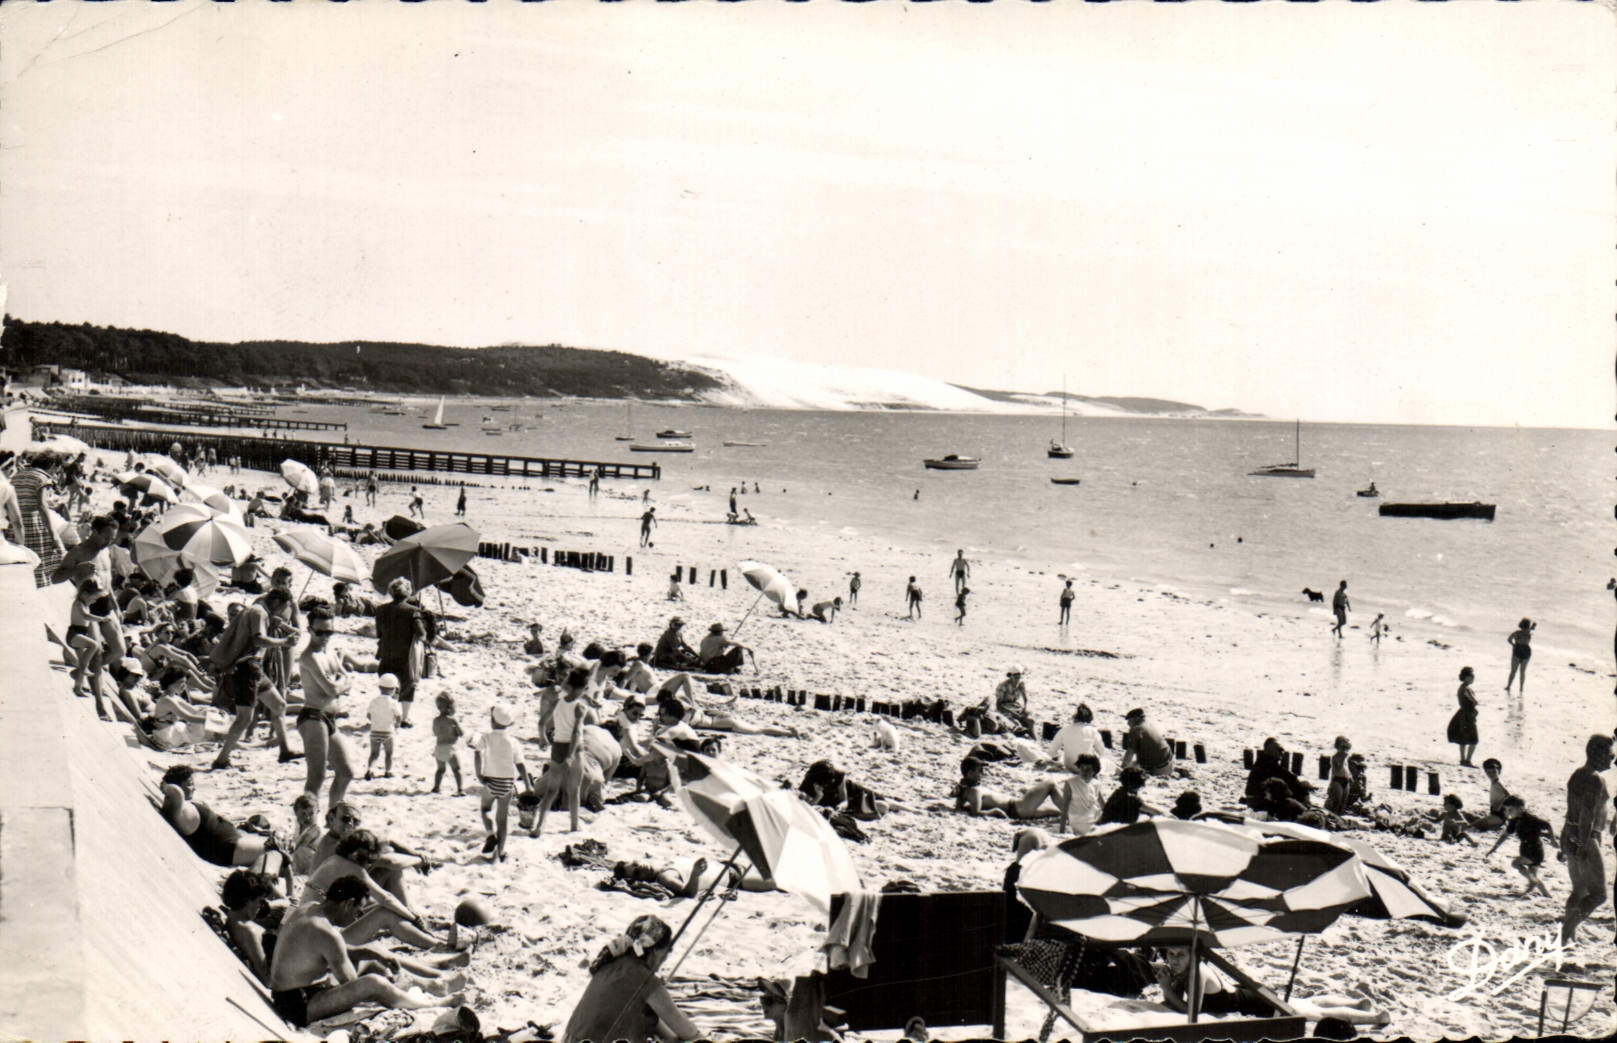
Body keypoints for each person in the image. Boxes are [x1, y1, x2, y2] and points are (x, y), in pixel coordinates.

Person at [268, 876, 454, 1029]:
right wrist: (374, 976)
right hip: (298, 1007)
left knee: (371, 957)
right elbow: (351, 984)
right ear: (348, 904)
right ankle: (428, 1004)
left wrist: (370, 953)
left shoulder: (308, 909)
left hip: (286, 994)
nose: (357, 916)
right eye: (358, 910)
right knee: (374, 982)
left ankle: (428, 985)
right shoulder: (326, 932)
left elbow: (326, 952)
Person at [1152, 947, 1388, 1026]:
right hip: (1250, 995)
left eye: (1181, 954)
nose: (1174, 959)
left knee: (1315, 1014)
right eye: (1171, 954)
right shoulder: (1185, 970)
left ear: (1192, 955)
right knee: (1305, 1002)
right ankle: (1357, 1003)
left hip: (1256, 1005)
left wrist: (1165, 988)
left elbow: (1189, 1011)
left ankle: (1376, 1018)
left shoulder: (1196, 971)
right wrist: (1170, 984)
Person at [207, 587, 302, 769]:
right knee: (244, 718)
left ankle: (285, 750)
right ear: (276, 602)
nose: (283, 611)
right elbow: (259, 640)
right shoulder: (259, 613)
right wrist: (284, 642)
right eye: (284, 607)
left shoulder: (256, 610)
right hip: (247, 669)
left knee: (279, 705)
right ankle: (221, 759)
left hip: (254, 669)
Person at [563, 915, 698, 1043]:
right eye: (667, 951)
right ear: (656, 951)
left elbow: (655, 1024)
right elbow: (686, 1031)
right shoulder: (644, 978)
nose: (666, 957)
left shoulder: (610, 963)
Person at [159, 766, 290, 888]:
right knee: (276, 851)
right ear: (178, 786)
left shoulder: (183, 806)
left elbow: (176, 794)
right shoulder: (180, 809)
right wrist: (166, 786)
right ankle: (269, 888)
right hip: (228, 849)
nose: (194, 788)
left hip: (233, 841)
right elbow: (176, 793)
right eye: (190, 784)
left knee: (264, 826)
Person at [297, 607, 373, 808]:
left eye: (328, 632)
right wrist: (341, 683)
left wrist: (340, 683)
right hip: (313, 717)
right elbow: (332, 688)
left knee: (346, 771)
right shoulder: (309, 657)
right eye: (319, 632)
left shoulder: (329, 653)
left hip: (329, 718)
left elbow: (347, 677)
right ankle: (306, 825)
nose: (324, 637)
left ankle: (332, 818)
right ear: (310, 630)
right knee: (317, 776)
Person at [1559, 733, 1612, 943]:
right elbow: (1587, 813)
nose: (1613, 758)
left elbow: (1572, 809)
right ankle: (1566, 930)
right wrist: (1583, 843)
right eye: (1609, 754)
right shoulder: (1595, 779)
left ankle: (1567, 936)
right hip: (1585, 837)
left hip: (1570, 832)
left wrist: (1567, 839)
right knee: (1599, 895)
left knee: (1579, 890)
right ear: (1597, 754)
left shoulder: (1578, 773)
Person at [473, 704, 530, 861]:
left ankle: (490, 834)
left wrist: (479, 774)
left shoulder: (486, 738)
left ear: (492, 721)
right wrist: (528, 785)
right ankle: (501, 852)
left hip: (490, 781)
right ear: (509, 723)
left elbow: (477, 754)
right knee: (502, 819)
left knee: (485, 809)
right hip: (506, 783)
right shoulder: (513, 742)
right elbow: (520, 764)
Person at [373, 578, 425, 727]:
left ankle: (388, 715)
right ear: (408, 592)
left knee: (388, 684)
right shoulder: (413, 611)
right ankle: (404, 718)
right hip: (405, 655)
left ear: (391, 592)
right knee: (408, 685)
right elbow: (421, 634)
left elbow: (379, 633)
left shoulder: (381, 610)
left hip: (386, 652)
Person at [1485, 795, 1558, 899]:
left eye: (1510, 809)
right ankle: (1546, 895)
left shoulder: (1530, 819)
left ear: (1520, 808)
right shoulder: (1514, 821)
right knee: (1532, 878)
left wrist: (1553, 840)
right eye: (1506, 810)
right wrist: (1494, 848)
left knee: (1516, 863)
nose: (1507, 812)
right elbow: (1505, 835)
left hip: (1535, 850)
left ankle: (1537, 884)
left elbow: (1547, 825)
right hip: (1525, 849)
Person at [953, 756, 1066, 819]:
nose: (982, 773)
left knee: (1057, 811)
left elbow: (961, 805)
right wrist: (994, 811)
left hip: (1018, 810)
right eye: (979, 770)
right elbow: (976, 812)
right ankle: (1074, 815)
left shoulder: (969, 789)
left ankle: (1072, 815)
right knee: (1050, 783)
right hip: (1018, 807)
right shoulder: (974, 791)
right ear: (970, 773)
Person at [1044, 703, 1107, 774]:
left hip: (1069, 766)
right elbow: (1102, 753)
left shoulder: (1064, 730)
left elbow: (1051, 752)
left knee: (1062, 755)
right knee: (1106, 761)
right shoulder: (1093, 731)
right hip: (1085, 769)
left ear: (1074, 718)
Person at [1119, 707, 1174, 779]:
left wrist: (1122, 770)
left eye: (1129, 720)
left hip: (1157, 769)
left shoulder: (1136, 729)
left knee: (1131, 770)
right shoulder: (1150, 724)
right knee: (1136, 764)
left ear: (1136, 719)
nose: (1128, 724)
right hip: (1169, 763)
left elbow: (1129, 754)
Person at [364, 673, 399, 780]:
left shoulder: (374, 701)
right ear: (393, 689)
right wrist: (397, 724)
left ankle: (370, 769)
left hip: (374, 731)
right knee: (389, 753)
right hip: (388, 732)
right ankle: (388, 771)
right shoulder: (393, 703)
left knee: (374, 753)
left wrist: (375, 720)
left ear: (379, 687)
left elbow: (368, 715)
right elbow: (398, 716)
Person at [430, 693, 466, 795]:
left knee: (440, 770)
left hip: (438, 748)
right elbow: (461, 733)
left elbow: (435, 733)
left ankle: (436, 787)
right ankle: (460, 789)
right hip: (450, 748)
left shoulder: (435, 720)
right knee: (456, 769)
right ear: (450, 707)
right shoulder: (452, 720)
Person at [1062, 754, 1104, 835]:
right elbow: (1064, 810)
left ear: (1094, 771)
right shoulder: (1070, 783)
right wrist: (1061, 833)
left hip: (1095, 820)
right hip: (1078, 823)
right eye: (1082, 768)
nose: (1084, 772)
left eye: (1088, 769)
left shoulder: (1096, 784)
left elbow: (1104, 807)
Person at [1447, 667, 1479, 767]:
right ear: (1466, 677)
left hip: (1462, 713)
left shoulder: (1462, 688)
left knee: (1463, 738)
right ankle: (1468, 760)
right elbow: (1475, 701)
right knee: (1473, 739)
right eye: (1471, 676)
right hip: (1467, 715)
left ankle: (1463, 759)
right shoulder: (1466, 689)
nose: (1473, 678)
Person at [1324, 736, 1353, 814]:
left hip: (1345, 780)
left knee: (1343, 802)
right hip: (1337, 780)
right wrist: (1343, 758)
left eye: (1345, 748)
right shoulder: (1335, 757)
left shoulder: (1345, 758)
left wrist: (1350, 776)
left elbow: (1346, 768)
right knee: (1337, 802)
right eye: (1342, 748)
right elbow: (1338, 768)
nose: (1344, 750)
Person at [1505, 618, 1534, 694]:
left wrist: (1513, 645)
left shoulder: (1517, 633)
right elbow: (1529, 629)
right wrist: (1532, 627)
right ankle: (1521, 688)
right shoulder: (1528, 633)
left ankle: (1508, 686)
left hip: (1517, 650)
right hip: (1526, 651)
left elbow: (1509, 639)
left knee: (1513, 671)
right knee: (1522, 671)